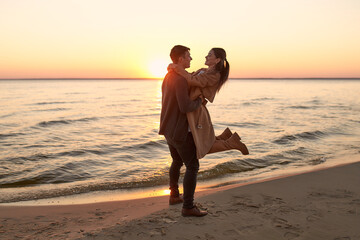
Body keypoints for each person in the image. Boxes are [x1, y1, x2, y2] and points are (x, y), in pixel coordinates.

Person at [168, 48, 249, 159]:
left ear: (217, 60)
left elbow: (192, 80)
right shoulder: (205, 70)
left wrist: (176, 67)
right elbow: (189, 76)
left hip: (197, 112)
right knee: (202, 142)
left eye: (210, 55)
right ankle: (224, 137)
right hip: (195, 109)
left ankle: (231, 143)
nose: (206, 56)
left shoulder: (215, 75)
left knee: (200, 147)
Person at [159, 45, 208, 217]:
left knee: (176, 161)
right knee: (192, 165)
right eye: (188, 56)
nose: (191, 59)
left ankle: (174, 196)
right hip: (178, 130)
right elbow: (185, 106)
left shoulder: (168, 76)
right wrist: (200, 102)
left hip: (167, 129)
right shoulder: (179, 79)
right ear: (180, 59)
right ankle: (188, 206)